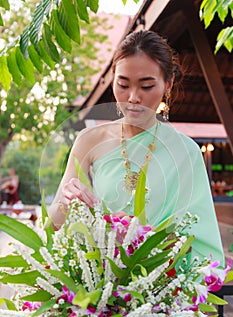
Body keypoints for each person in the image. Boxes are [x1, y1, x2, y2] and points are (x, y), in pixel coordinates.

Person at [48, 30, 224, 265]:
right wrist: (69, 203)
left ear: (168, 84)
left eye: (146, 86)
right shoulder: (89, 140)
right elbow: (53, 225)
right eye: (122, 84)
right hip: (97, 284)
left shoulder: (186, 152)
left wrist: (140, 237)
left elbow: (202, 248)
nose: (132, 97)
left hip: (161, 288)